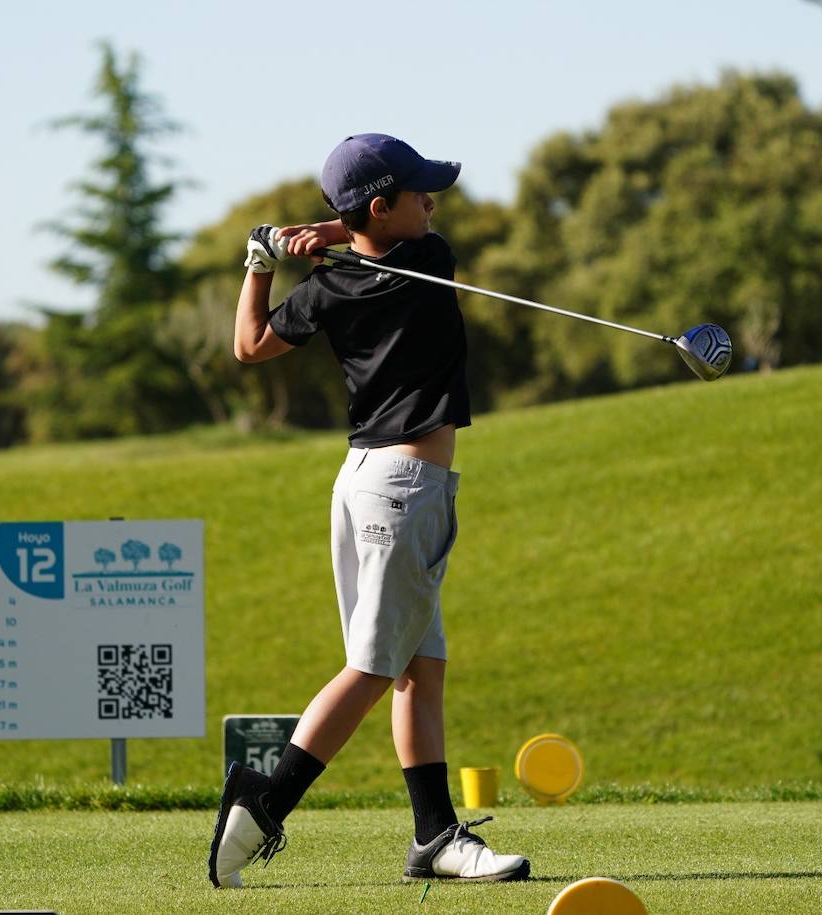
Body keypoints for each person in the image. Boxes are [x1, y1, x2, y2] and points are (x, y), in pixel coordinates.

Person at [208, 133, 530, 889]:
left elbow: (250, 344)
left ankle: (434, 835)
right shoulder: (429, 260)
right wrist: (330, 236)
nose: (432, 202)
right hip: (407, 491)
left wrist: (262, 263)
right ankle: (262, 804)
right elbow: (384, 242)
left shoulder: (329, 286)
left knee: (422, 668)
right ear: (383, 208)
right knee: (374, 667)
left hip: (363, 481)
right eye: (419, 193)